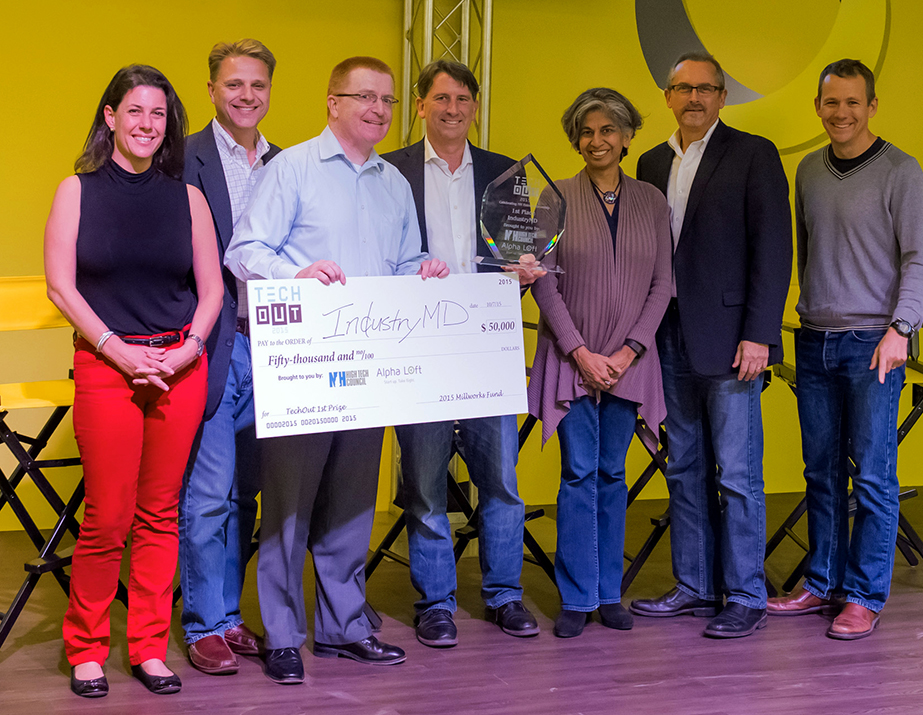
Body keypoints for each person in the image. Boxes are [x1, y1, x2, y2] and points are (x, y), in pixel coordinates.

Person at [224, 56, 449, 685]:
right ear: (332, 102)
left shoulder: (394, 184)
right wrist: (293, 275)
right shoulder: (291, 168)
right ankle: (284, 633)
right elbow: (244, 251)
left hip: (369, 370)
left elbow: (406, 260)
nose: (378, 110)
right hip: (303, 368)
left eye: (388, 100)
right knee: (289, 507)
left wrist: (424, 270)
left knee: (352, 504)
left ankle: (344, 627)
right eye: (364, 98)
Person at [44, 64, 222, 697]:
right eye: (135, 111)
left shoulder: (189, 199)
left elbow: (213, 290)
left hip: (179, 366)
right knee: (108, 516)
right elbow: (60, 286)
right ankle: (87, 647)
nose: (148, 124)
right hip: (106, 365)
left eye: (159, 114)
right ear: (110, 117)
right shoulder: (78, 190)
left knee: (159, 515)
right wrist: (117, 349)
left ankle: (148, 646)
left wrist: (190, 348)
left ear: (167, 124)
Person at [766, 59, 923, 640]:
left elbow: (919, 260)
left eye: (853, 103)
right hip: (815, 341)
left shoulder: (901, 171)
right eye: (831, 103)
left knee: (874, 480)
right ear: (817, 107)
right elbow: (807, 251)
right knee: (820, 471)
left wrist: (900, 329)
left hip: (874, 345)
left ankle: (864, 595)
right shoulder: (809, 170)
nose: (841, 113)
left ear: (872, 105)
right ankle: (822, 582)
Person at [629, 52, 792, 638]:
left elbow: (773, 249)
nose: (694, 97)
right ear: (668, 96)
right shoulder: (649, 162)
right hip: (665, 335)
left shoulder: (753, 154)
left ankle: (746, 593)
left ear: (723, 97)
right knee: (684, 465)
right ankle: (695, 586)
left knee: (737, 472)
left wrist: (760, 335)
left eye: (706, 88)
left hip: (730, 341)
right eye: (683, 88)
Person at [382, 59, 539, 648]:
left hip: (487, 344)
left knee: (499, 480)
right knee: (424, 484)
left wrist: (525, 273)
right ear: (420, 105)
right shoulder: (389, 171)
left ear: (475, 106)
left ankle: (504, 596)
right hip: (417, 348)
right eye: (441, 99)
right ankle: (435, 604)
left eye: (463, 100)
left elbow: (521, 258)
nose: (453, 109)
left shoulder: (506, 174)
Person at [529, 87, 672, 638]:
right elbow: (541, 281)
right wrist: (581, 353)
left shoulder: (653, 201)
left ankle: (609, 592)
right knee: (578, 475)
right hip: (573, 361)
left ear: (627, 136)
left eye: (608, 130)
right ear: (576, 139)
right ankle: (575, 595)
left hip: (629, 362)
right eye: (587, 132)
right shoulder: (555, 199)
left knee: (613, 475)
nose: (597, 141)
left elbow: (663, 284)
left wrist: (628, 351)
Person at [178, 38, 281, 676]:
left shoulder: (286, 162)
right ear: (212, 89)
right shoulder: (181, 157)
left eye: (258, 85)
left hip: (276, 345)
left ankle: (229, 614)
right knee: (209, 491)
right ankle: (201, 623)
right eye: (235, 84)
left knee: (248, 493)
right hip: (212, 343)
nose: (247, 96)